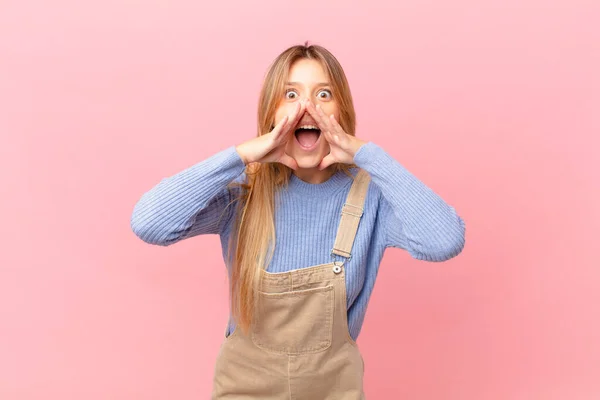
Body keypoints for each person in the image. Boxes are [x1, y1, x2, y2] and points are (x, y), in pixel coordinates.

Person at [131, 42, 466, 399]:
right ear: (272, 113)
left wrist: (369, 156)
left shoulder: (371, 197)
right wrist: (243, 155)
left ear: (342, 111)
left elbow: (444, 241)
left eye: (324, 94)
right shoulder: (243, 193)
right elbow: (150, 223)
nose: (307, 107)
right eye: (291, 94)